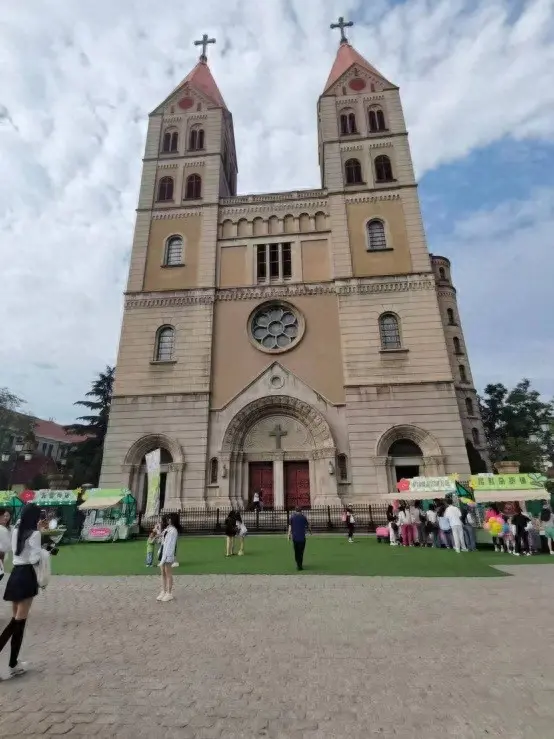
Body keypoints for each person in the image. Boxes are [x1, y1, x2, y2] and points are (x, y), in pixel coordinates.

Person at [0, 503, 44, 677]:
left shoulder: (16, 530)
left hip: (15, 575)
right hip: (26, 576)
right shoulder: (34, 534)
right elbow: (34, 558)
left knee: (16, 621)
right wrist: (42, 549)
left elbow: (13, 550)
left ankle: (13, 663)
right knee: (18, 623)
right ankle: (12, 664)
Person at [157, 513, 179, 602]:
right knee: (162, 572)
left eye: (170, 519)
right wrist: (158, 528)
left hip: (168, 552)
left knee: (168, 572)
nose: (168, 520)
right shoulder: (167, 529)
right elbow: (161, 537)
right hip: (163, 550)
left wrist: (167, 556)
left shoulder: (173, 530)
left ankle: (169, 593)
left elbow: (170, 544)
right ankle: (163, 590)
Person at [0, 508, 12, 582]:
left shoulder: (10, 528)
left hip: (5, 555)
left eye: (7, 515)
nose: (5, 517)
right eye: (3, 516)